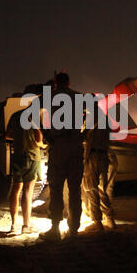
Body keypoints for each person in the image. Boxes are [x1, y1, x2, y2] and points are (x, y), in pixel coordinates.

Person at [40, 72, 84, 241]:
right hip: (75, 146)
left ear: (56, 83)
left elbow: (34, 115)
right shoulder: (78, 97)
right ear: (69, 82)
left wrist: (46, 133)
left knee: (56, 189)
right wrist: (83, 135)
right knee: (75, 190)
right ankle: (73, 230)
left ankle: (55, 229)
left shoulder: (49, 97)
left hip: (58, 146)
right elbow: (97, 114)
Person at [6, 111, 47, 234]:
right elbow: (38, 139)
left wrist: (20, 138)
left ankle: (13, 225)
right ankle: (26, 226)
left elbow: (8, 135)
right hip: (32, 155)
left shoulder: (14, 115)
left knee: (15, 189)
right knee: (28, 191)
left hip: (18, 155)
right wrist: (43, 145)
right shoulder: (34, 116)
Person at [82, 103, 117, 232]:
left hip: (93, 156)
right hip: (104, 156)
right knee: (102, 189)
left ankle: (97, 222)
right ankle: (109, 219)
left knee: (90, 188)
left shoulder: (91, 118)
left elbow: (84, 136)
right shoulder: (105, 118)